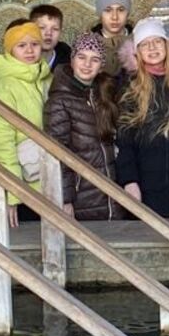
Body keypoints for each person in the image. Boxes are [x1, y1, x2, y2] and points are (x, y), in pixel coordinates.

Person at [115, 19, 169, 217]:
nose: (152, 48)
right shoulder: (130, 85)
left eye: (157, 41)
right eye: (145, 44)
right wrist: (129, 181)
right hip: (146, 182)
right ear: (137, 52)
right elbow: (124, 138)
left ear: (166, 46)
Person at [42, 32, 120, 220]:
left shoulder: (104, 95)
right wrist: (65, 198)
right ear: (72, 60)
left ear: (101, 66)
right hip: (81, 200)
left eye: (95, 60)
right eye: (82, 57)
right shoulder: (59, 101)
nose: (87, 64)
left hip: (110, 197)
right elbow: (57, 152)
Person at [0, 20, 56, 215]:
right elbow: (1, 146)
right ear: (10, 50)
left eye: (34, 44)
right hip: (26, 189)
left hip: (52, 181)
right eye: (21, 45)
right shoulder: (4, 88)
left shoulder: (48, 79)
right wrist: (13, 193)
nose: (29, 50)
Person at [91, 0, 133, 68]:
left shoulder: (141, 43)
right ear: (100, 14)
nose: (115, 17)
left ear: (128, 13)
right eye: (108, 10)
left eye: (121, 10)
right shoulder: (87, 47)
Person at [29, 3, 73, 72]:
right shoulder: (18, 59)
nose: (49, 33)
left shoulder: (68, 60)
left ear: (60, 32)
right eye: (42, 28)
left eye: (55, 29)